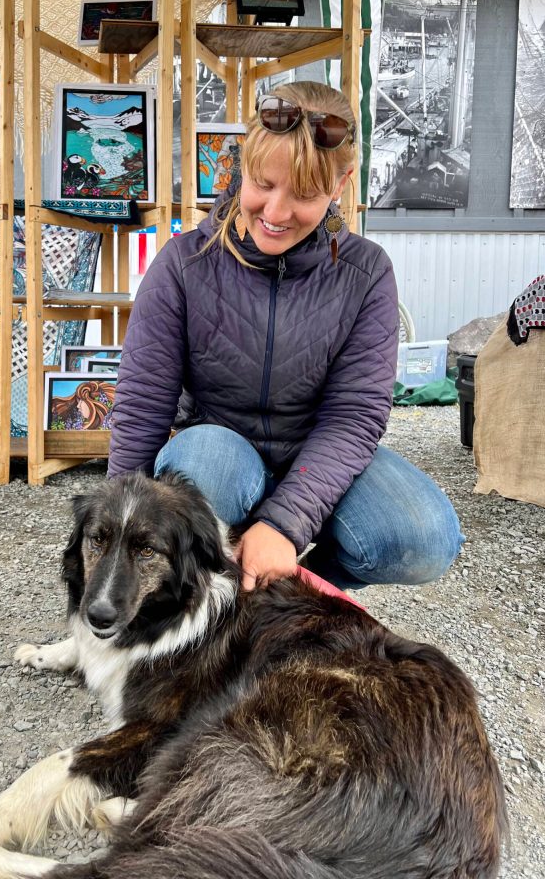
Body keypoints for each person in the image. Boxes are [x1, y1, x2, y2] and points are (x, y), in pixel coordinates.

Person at [108, 82, 463, 591]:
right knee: (202, 474)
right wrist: (117, 538)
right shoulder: (184, 264)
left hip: (317, 451)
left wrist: (283, 526)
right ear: (240, 169)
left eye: (304, 195)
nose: (275, 213)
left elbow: (355, 415)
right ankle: (210, 595)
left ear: (338, 186)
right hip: (218, 445)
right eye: (263, 183)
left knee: (423, 539)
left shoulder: (366, 273)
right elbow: (143, 403)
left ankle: (278, 599)